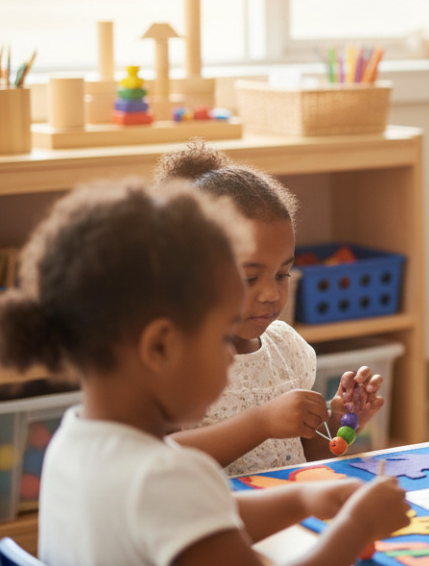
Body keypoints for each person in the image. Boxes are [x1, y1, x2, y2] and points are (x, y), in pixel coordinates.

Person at [0, 179, 409, 566]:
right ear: (160, 346)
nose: (231, 357)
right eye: (221, 336)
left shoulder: (74, 443)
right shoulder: (166, 478)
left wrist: (302, 502)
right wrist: (358, 527)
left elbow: (197, 515)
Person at [156, 139, 383, 475]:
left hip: (285, 514)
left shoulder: (287, 348)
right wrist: (260, 423)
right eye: (250, 278)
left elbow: (307, 454)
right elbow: (158, 462)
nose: (271, 294)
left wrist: (340, 424)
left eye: (282, 274)